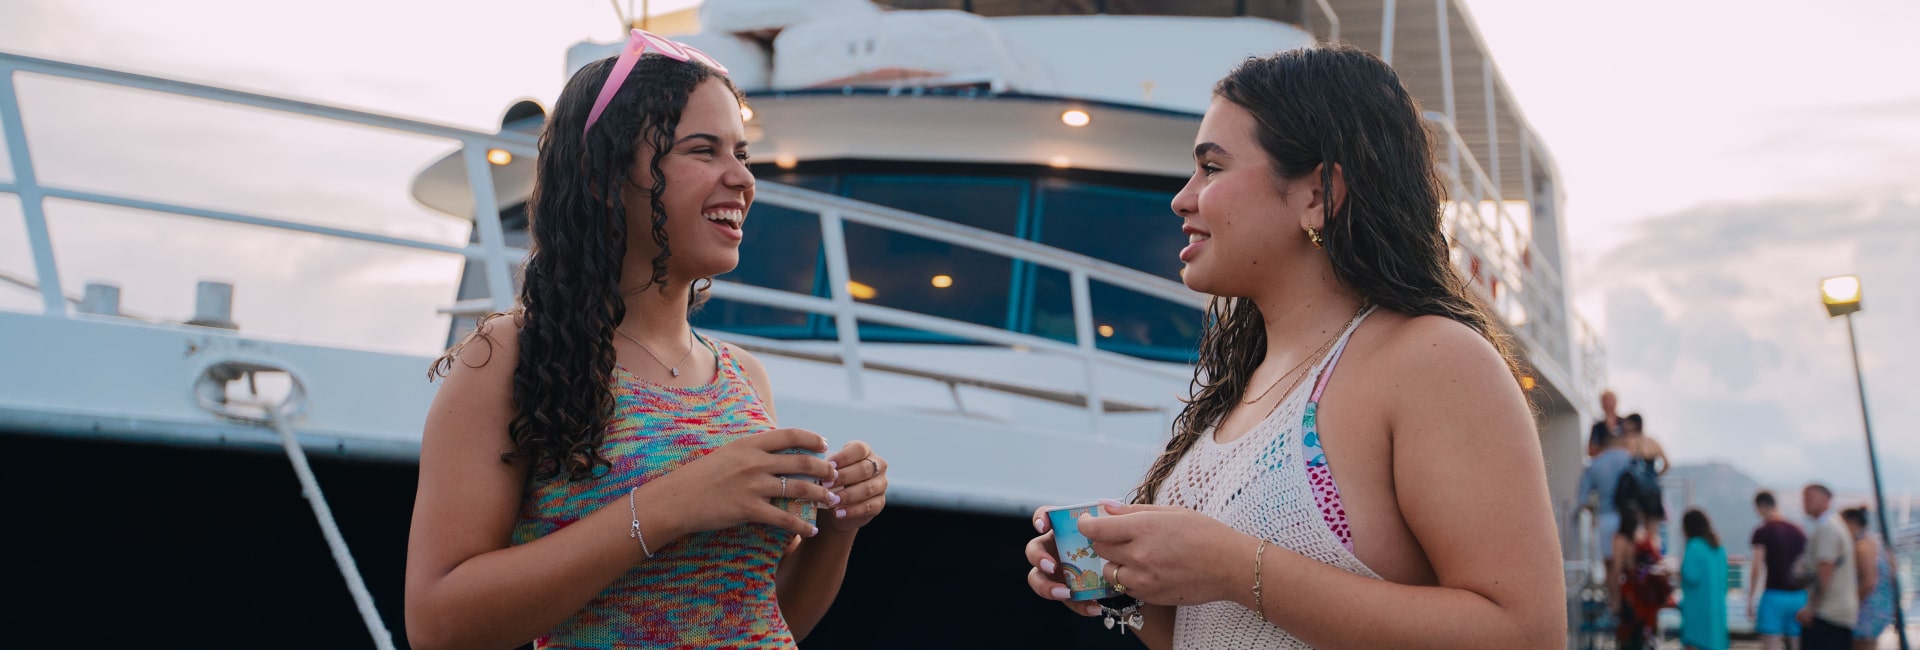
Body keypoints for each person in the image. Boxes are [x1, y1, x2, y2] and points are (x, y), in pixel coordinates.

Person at [1020, 44, 1565, 648]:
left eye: (1213, 168)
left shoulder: (1432, 360)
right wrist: (1116, 584)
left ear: (1318, 194)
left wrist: (1232, 566)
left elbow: (1526, 633)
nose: (1182, 197)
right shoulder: (1247, 379)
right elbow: (1215, 630)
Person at [402, 31, 889, 649]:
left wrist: (838, 525)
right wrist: (671, 505)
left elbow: (760, 617)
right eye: (702, 150)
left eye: (741, 153)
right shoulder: (507, 356)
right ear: (606, 176)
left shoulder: (743, 377)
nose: (742, 178)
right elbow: (437, 627)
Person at [1581, 416, 1637, 596]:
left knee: (1610, 566)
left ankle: (1615, 606)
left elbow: (1583, 497)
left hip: (1606, 517)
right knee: (1630, 565)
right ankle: (1630, 607)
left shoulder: (1596, 464)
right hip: (1630, 518)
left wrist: (1592, 510)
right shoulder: (1631, 459)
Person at [1799, 484, 1859, 650]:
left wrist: (1812, 608)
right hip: (1838, 613)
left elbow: (1825, 569)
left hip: (1828, 614)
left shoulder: (1827, 528)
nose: (1805, 502)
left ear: (1826, 499)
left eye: (1810, 497)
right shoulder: (1835, 525)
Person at [1751, 490, 1811, 650]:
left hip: (1774, 594)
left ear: (1762, 506)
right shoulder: (1799, 531)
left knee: (1770, 645)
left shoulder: (1763, 531)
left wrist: (1751, 598)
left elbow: (1757, 566)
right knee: (1797, 644)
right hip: (1799, 597)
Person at [1614, 507, 1672, 649]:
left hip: (1631, 595)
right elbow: (1659, 564)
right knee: (1646, 634)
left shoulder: (1621, 540)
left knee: (1630, 636)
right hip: (1648, 596)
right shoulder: (1650, 538)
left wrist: (1614, 601)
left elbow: (1616, 572)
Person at [1842, 507, 1897, 650]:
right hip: (1881, 606)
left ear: (1852, 523)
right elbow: (1893, 573)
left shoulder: (1863, 546)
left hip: (1867, 607)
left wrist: (1850, 605)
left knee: (1862, 645)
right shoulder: (1877, 542)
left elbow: (1868, 582)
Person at [1680, 509, 1730, 650]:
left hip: (1697, 612)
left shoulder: (1694, 546)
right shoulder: (1718, 548)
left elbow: (1691, 575)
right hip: (1717, 613)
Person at [1589, 390, 1622, 457]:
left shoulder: (1625, 423)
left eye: (1610, 400)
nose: (1608, 403)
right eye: (1605, 401)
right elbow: (1590, 450)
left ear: (1615, 402)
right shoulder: (1598, 427)